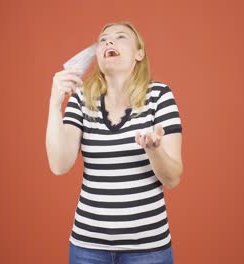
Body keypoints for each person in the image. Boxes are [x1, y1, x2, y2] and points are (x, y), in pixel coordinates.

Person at [46, 21, 183, 264]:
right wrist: (55, 104)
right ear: (98, 55)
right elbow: (59, 165)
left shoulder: (160, 96)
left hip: (149, 249)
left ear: (139, 54)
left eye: (121, 37)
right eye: (103, 39)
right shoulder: (81, 99)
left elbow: (172, 178)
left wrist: (155, 151)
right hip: (87, 248)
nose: (109, 41)